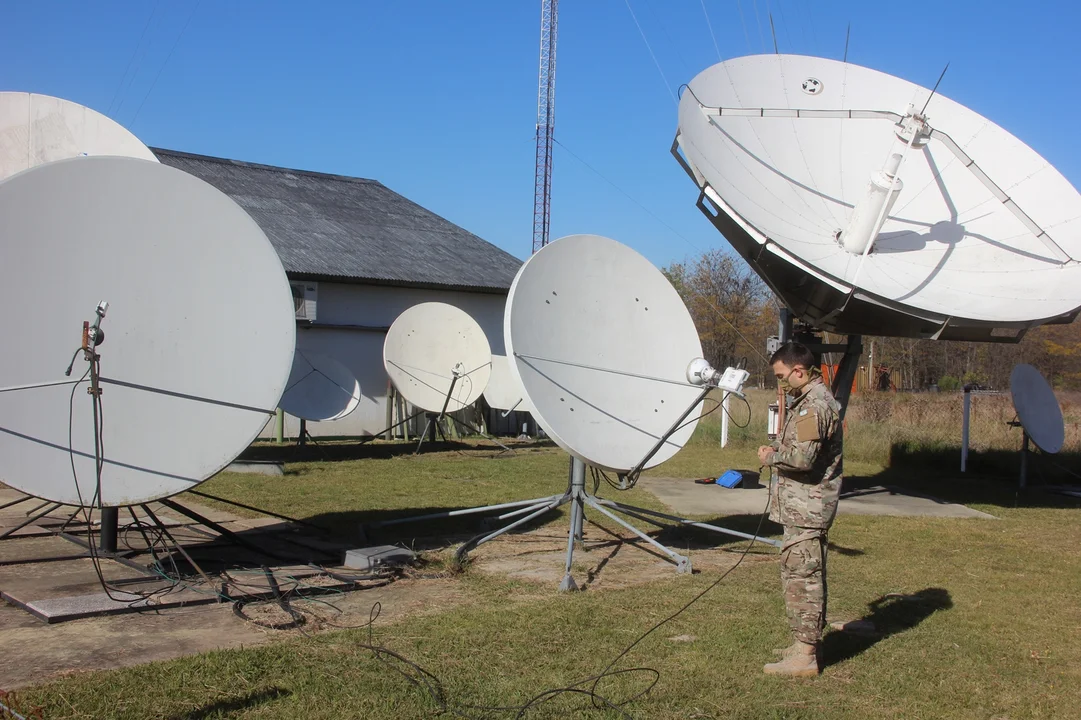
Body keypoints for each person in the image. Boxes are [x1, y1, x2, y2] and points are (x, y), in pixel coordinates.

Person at [756, 341, 843, 677]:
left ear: (799, 371)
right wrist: (780, 445)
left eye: (781, 377)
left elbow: (803, 460)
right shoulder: (807, 402)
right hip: (800, 508)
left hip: (807, 508)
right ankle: (802, 643)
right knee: (799, 572)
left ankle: (805, 656)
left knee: (804, 575)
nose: (780, 383)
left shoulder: (814, 408)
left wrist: (770, 457)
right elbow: (800, 447)